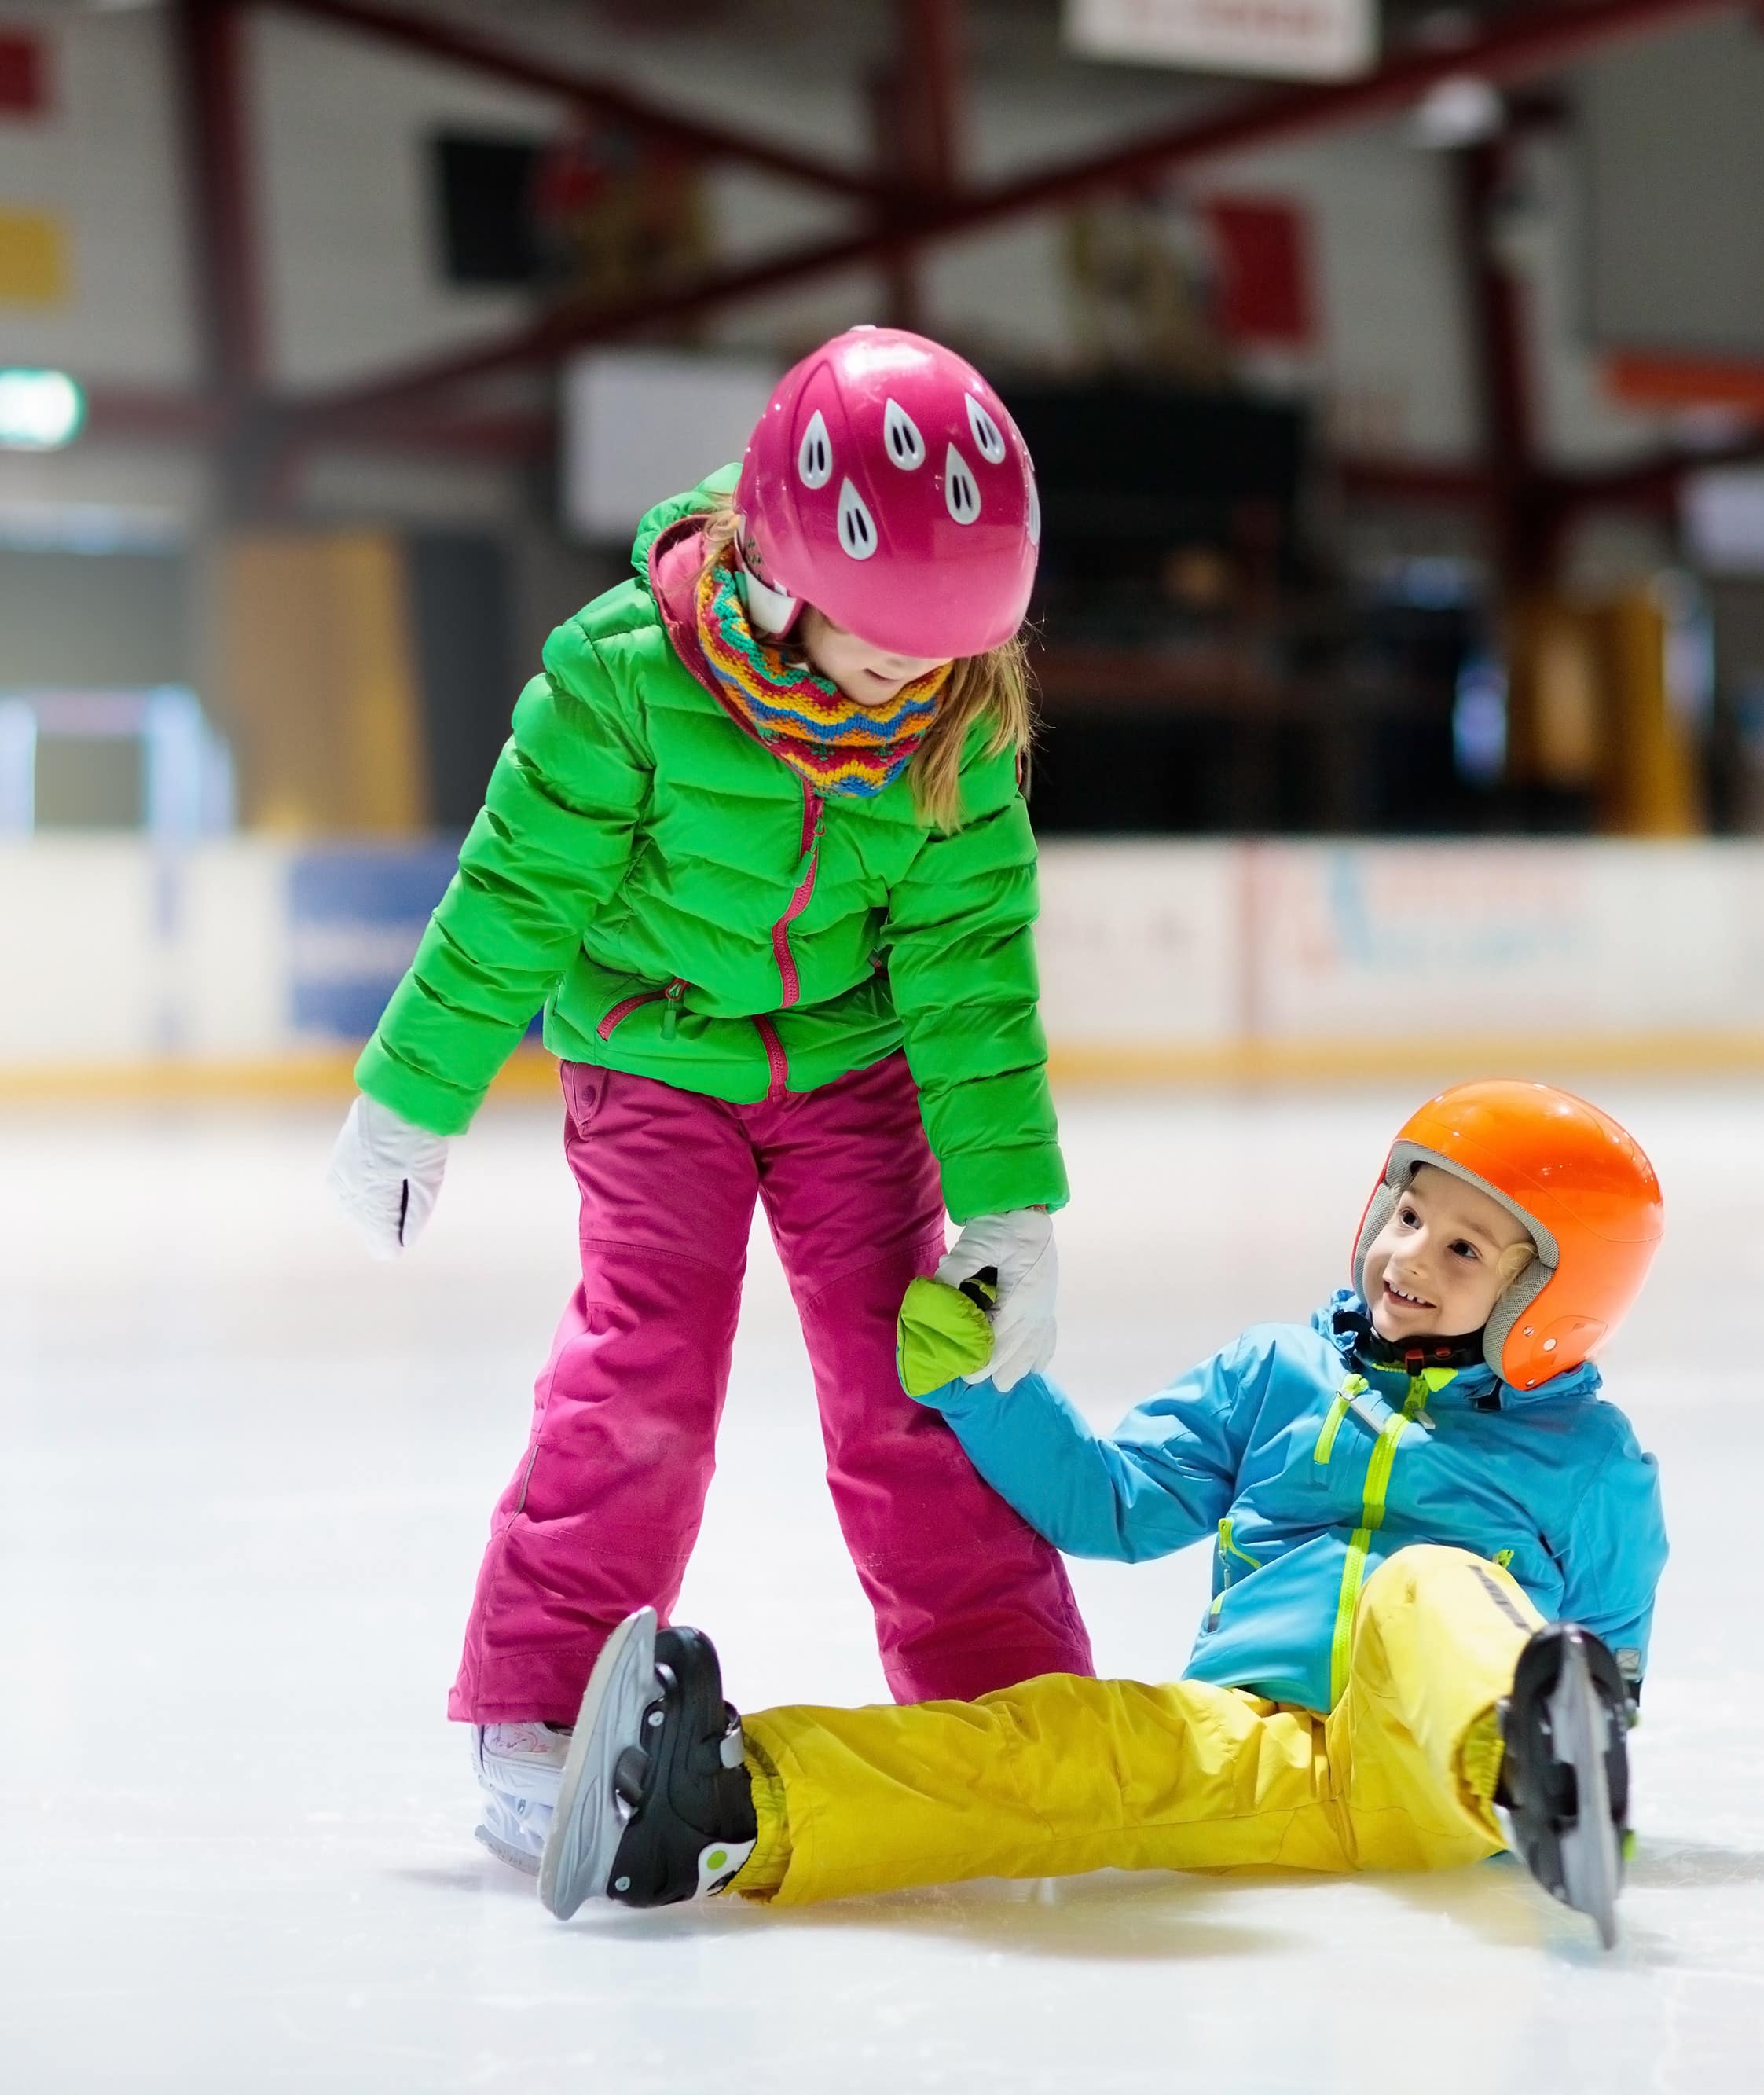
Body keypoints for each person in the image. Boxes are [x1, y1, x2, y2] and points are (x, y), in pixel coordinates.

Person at [325, 326, 1095, 1873]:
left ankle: (1004, 1698)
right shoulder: (620, 680)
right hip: (652, 1060)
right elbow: (513, 902)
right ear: (786, 567)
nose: (914, 678)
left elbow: (967, 975)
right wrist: (411, 1099)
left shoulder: (952, 724)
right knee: (645, 1371)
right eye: (884, 643)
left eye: (947, 650)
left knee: (914, 1382)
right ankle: (541, 1705)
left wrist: (1008, 1197)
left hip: (849, 1071)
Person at [538, 1079, 1670, 1947]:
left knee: (1426, 1588)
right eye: (1409, 1210)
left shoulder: (1588, 1461)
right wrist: (989, 1387)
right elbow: (1113, 1501)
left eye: (1465, 1247)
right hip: (1248, 1744)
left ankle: (1535, 1770)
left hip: (1438, 1772)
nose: (1407, 1254)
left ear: (1551, 1300)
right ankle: (726, 1803)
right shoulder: (1277, 1376)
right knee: (1064, 1740)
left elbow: (1608, 1659)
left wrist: (1571, 1727)